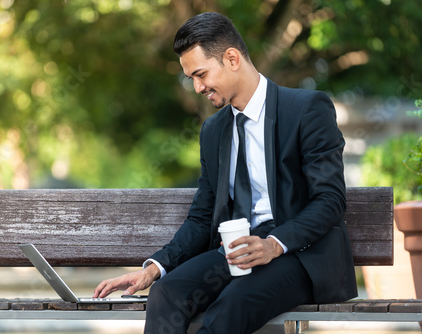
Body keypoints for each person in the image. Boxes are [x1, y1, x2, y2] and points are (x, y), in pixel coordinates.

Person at [94, 12, 357, 333]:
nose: (197, 87)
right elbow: (203, 217)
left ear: (232, 58)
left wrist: (274, 244)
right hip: (237, 254)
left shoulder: (306, 109)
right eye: (190, 77)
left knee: (232, 305)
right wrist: (154, 268)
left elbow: (329, 200)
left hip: (301, 256)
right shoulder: (214, 130)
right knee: (166, 292)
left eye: (201, 74)